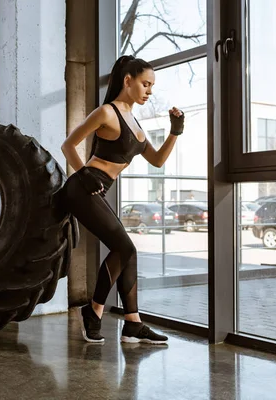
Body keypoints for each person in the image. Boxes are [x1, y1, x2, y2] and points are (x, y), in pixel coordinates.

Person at [59, 55, 185, 344]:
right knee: (124, 247)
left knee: (128, 251)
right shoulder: (106, 112)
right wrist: (84, 173)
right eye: (145, 83)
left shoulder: (134, 120)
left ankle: (132, 323)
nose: (149, 90)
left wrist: (175, 132)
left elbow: (157, 160)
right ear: (127, 80)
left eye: (152, 85)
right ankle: (93, 311)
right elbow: (68, 145)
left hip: (98, 189)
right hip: (83, 187)